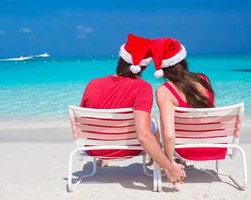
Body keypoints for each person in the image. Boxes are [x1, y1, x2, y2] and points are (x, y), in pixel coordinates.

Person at [80, 34, 186, 185]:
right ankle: (153, 157)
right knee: (152, 122)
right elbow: (143, 135)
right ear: (143, 66)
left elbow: (85, 122)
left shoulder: (92, 84)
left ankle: (104, 159)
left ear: (121, 59)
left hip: (94, 148)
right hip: (128, 150)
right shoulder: (142, 88)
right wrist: (170, 168)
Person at [152, 38, 227, 164]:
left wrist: (169, 163)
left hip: (187, 151)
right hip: (217, 146)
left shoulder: (164, 91)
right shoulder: (203, 79)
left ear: (162, 69)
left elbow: (169, 135)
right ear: (183, 61)